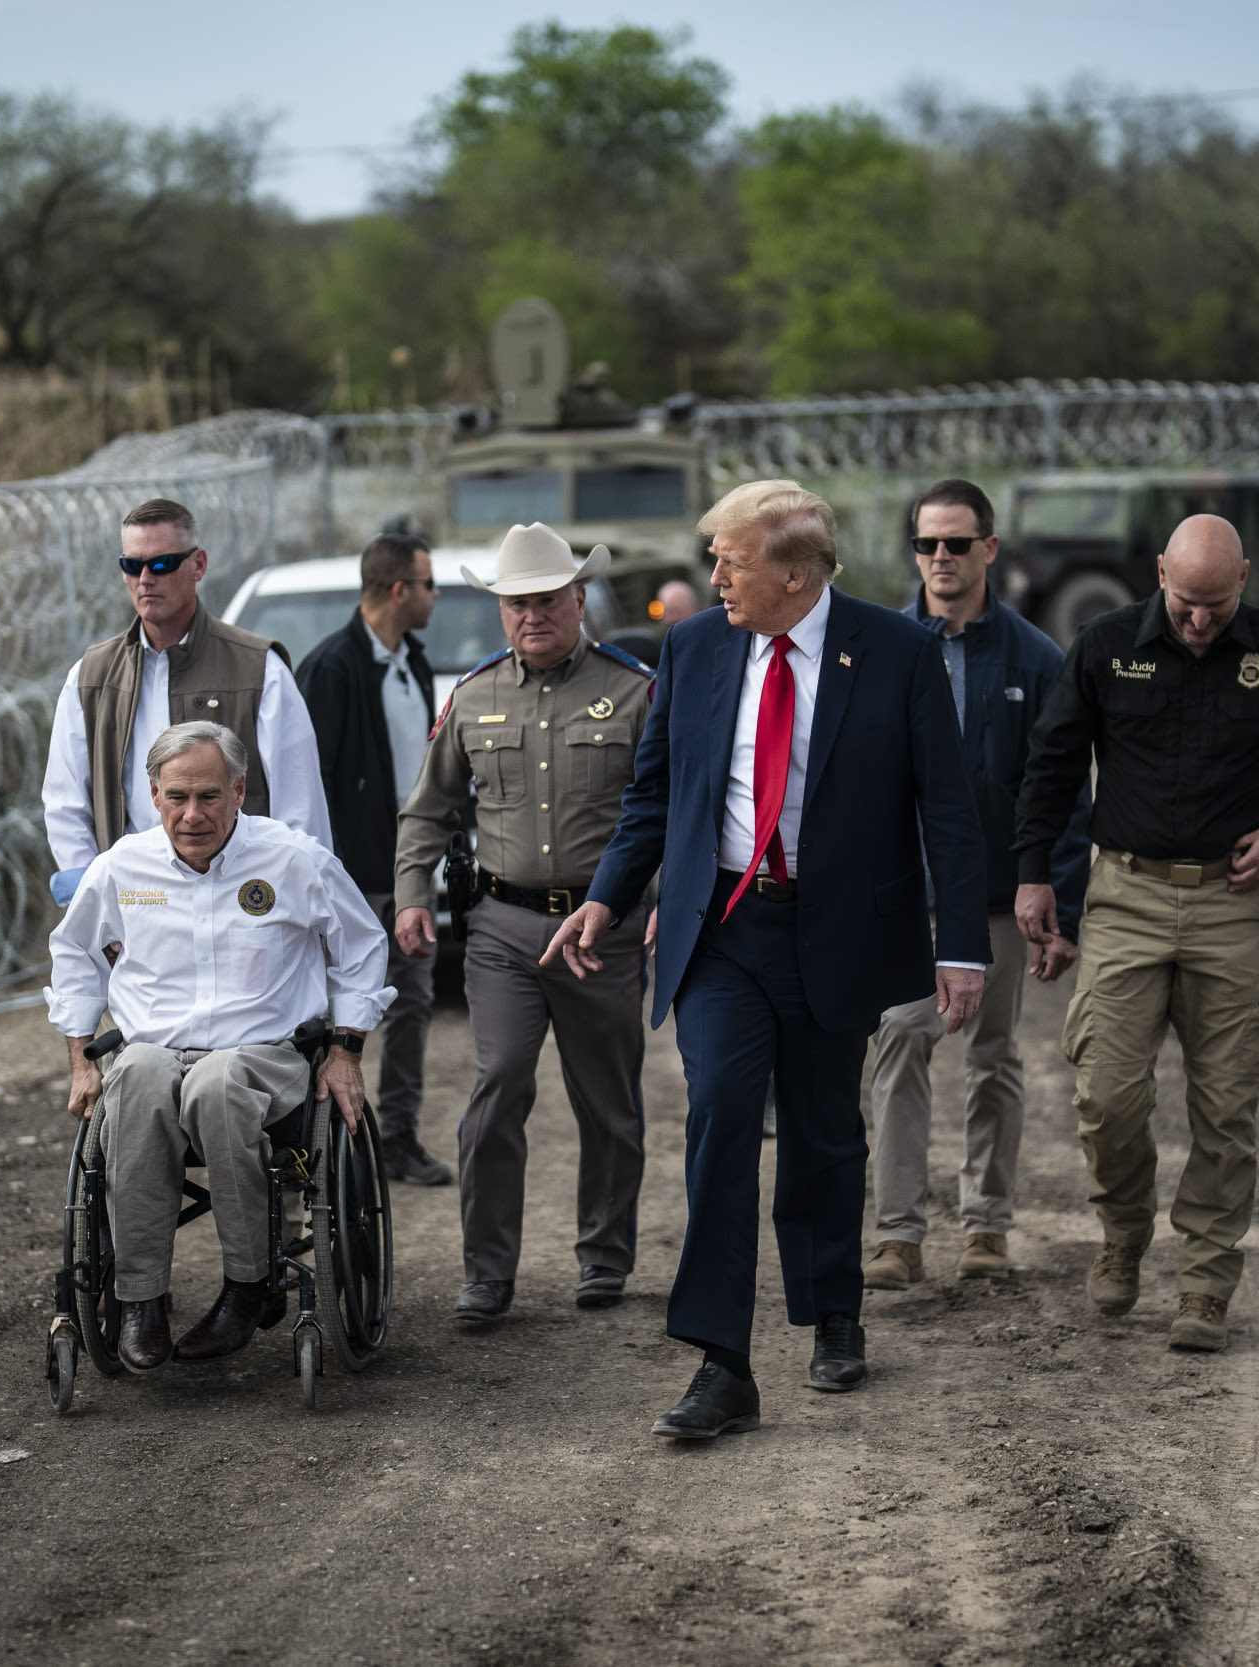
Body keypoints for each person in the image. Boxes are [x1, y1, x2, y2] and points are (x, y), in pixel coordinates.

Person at [545, 481, 988, 1440]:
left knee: (827, 1130)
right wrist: (607, 896)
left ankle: (834, 1313)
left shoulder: (898, 652)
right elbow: (654, 795)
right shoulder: (697, 646)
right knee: (722, 1119)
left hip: (837, 932)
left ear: (796, 573)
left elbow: (946, 810)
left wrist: (962, 945)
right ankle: (722, 1361)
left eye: (731, 562)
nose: (714, 580)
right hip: (722, 930)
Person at [1014, 515, 1259, 1353]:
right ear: (1160, 572)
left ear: (1246, 582)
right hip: (1125, 895)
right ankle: (1124, 1230)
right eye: (1187, 602)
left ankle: (1204, 1286)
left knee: (1225, 1106)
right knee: (1106, 1093)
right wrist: (1033, 873)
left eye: (1219, 606)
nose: (1200, 621)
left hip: (1231, 902)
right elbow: (1053, 761)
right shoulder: (1104, 642)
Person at [48, 722, 389, 1369]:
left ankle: (247, 1284)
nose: (192, 813)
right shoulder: (122, 867)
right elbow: (74, 953)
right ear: (153, 795)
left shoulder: (293, 858)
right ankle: (141, 1297)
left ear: (238, 791)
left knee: (217, 1081)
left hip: (264, 1055)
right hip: (156, 1048)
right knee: (141, 1075)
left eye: (209, 795)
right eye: (177, 796)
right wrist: (78, 1057)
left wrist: (346, 1048)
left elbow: (363, 945)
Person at [395, 523, 658, 1324]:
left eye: (547, 599)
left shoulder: (639, 690)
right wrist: (411, 891)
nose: (531, 615)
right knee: (500, 1080)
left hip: (600, 930)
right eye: (516, 603)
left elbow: (671, 811)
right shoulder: (473, 697)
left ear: (579, 598)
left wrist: (669, 898)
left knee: (607, 1100)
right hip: (504, 926)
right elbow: (428, 810)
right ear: (499, 610)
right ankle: (487, 1272)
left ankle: (604, 1257)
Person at [863, 481, 1088, 1291]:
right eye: (929, 544)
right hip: (904, 898)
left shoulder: (1034, 657)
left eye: (959, 543)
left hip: (996, 897)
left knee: (993, 1059)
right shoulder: (881, 646)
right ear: (914, 551)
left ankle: (986, 1225)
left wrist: (1061, 901)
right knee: (898, 1046)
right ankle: (897, 1234)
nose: (943, 558)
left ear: (990, 548)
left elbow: (1062, 790)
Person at [41, 497, 329, 902]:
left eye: (161, 564)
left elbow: (301, 811)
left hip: (242, 903)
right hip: (136, 907)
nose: (145, 578)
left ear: (198, 565)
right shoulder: (89, 679)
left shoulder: (260, 670)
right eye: (132, 565)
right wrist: (97, 906)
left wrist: (286, 906)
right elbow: (66, 803)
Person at [294, 531, 450, 1187]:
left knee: (412, 1005)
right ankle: (316, 1154)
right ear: (398, 590)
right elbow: (307, 783)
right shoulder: (331, 668)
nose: (434, 594)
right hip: (349, 881)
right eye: (428, 583)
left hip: (408, 876)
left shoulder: (413, 661)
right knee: (325, 1022)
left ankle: (398, 1140)